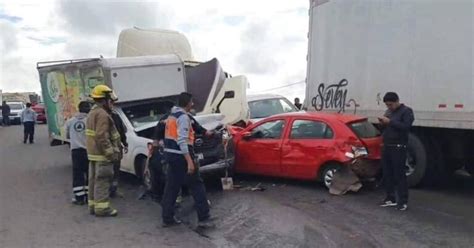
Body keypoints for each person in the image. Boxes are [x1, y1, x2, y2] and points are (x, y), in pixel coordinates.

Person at [161, 92, 213, 228]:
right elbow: (182, 140)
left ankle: (167, 218)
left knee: (171, 187)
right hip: (181, 155)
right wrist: (189, 161)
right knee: (196, 185)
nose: (193, 104)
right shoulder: (183, 117)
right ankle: (204, 218)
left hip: (170, 155)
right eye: (192, 102)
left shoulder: (172, 115)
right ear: (188, 103)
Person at [86, 85, 122, 217]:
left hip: (93, 154)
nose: (112, 103)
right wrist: (110, 152)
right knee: (102, 181)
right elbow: (101, 136)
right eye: (110, 100)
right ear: (104, 99)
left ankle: (93, 206)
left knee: (93, 181)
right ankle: (102, 209)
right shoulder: (102, 114)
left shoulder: (92, 112)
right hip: (102, 155)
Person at [378, 92, 414, 211]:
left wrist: (390, 122)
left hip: (398, 146)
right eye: (387, 105)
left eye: (391, 104)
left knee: (399, 174)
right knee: (387, 173)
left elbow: (406, 127)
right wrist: (383, 123)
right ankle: (390, 198)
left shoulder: (406, 111)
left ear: (397, 101)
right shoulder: (389, 112)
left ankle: (403, 201)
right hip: (387, 145)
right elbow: (385, 128)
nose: (389, 107)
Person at [66, 101, 91, 205]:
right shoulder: (90, 121)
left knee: (77, 174)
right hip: (89, 151)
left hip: (76, 151)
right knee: (90, 173)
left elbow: (67, 136)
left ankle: (79, 198)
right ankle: (90, 197)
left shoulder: (70, 121)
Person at [109, 95, 128, 198]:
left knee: (114, 171)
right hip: (112, 150)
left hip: (113, 149)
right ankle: (111, 190)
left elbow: (121, 131)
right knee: (113, 171)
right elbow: (122, 131)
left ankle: (112, 190)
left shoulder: (115, 116)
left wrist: (124, 143)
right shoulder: (112, 116)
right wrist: (125, 143)